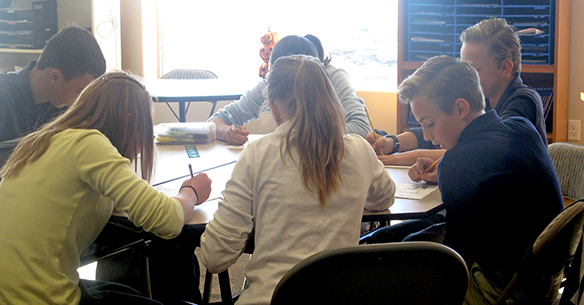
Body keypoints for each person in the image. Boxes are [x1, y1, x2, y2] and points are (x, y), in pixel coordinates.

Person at [0, 71, 212, 305]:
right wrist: (192, 191)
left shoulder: (46, 139)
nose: (140, 148)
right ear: (128, 122)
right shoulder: (88, 144)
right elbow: (167, 219)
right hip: (40, 296)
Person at [365, 55, 563, 304]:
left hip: (506, 288)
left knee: (393, 274)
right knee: (400, 239)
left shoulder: (457, 164)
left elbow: (455, 262)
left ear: (460, 108)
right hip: (544, 277)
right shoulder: (521, 127)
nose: (428, 135)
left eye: (430, 123)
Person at [200, 55, 396, 305]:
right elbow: (385, 197)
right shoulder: (359, 150)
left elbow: (215, 256)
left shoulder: (258, 154)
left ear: (274, 109)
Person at [368, 18, 547, 182]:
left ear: (505, 68)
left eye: (472, 70)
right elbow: (439, 131)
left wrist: (393, 159)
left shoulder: (523, 102)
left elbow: (479, 152)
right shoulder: (485, 100)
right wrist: (392, 142)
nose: (462, 77)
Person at [209, 34, 371, 144]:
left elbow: (362, 129)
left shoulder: (333, 77)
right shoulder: (272, 82)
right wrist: (226, 131)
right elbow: (216, 121)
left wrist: (297, 136)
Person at [0, 26, 106, 187]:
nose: (80, 101)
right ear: (54, 77)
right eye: (79, 91)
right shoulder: (0, 96)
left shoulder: (61, 102)